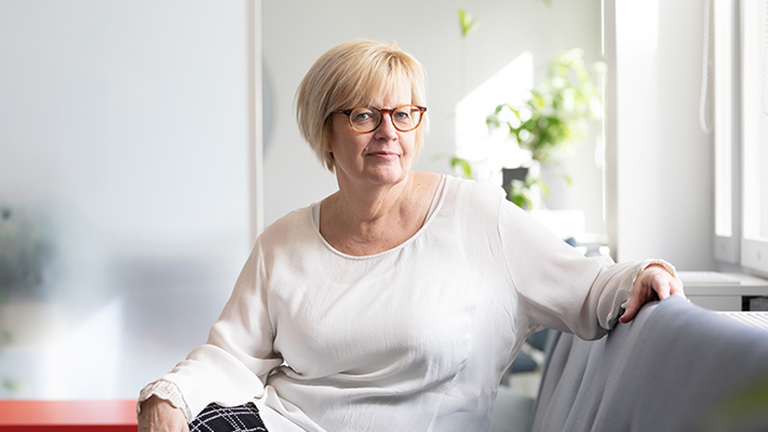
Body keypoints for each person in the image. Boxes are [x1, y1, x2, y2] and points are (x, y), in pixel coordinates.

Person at [137, 39, 685, 432]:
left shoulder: (478, 217)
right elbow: (231, 357)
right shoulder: (282, 243)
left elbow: (588, 290)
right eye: (363, 116)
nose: (387, 133)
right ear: (324, 131)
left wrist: (644, 274)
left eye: (403, 115)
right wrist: (169, 396)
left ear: (419, 126)